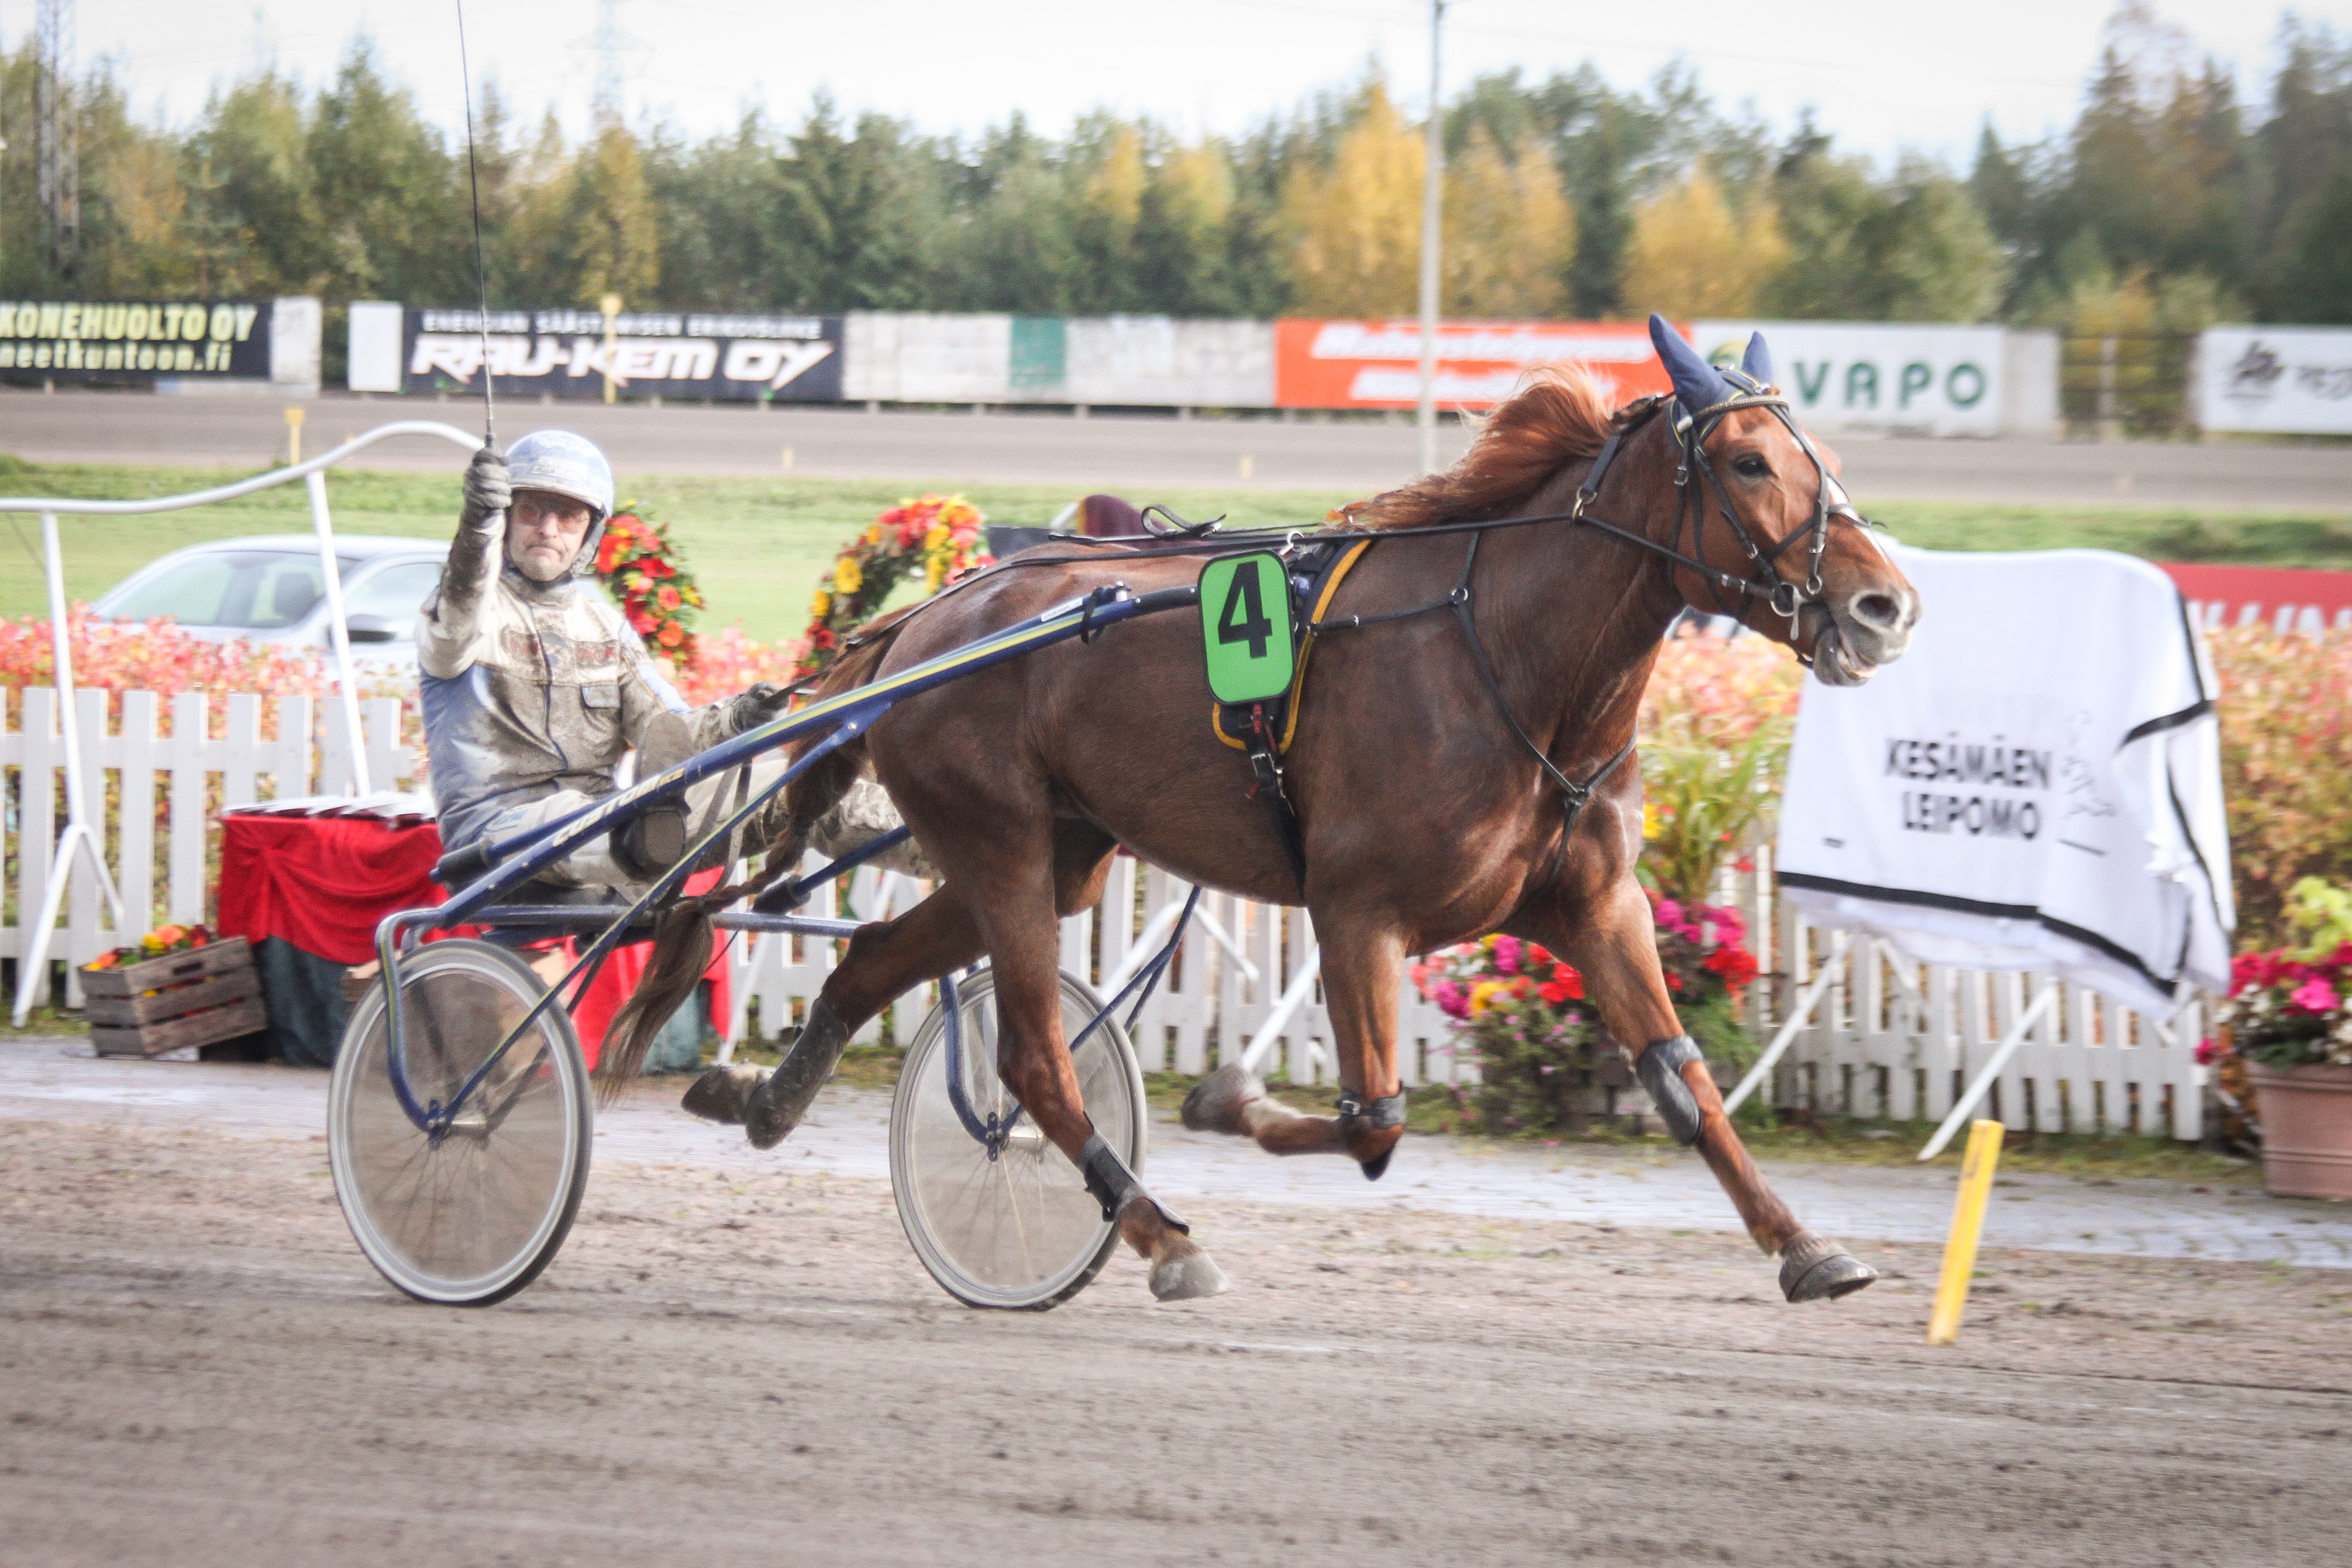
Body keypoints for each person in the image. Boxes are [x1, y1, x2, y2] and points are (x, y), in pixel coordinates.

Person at [417, 432, 788, 895]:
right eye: (532, 510)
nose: (549, 529)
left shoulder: (605, 628)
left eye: (569, 516)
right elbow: (457, 615)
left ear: (589, 533)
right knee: (608, 818)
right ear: (507, 518)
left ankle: (900, 835)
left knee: (804, 781)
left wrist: (739, 718)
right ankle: (641, 831)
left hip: (613, 819)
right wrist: (476, 528)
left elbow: (667, 731)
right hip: (495, 836)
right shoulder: (464, 611)